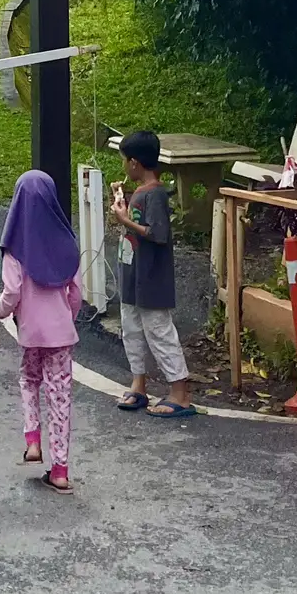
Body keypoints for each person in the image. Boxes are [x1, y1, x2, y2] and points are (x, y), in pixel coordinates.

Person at [0, 169, 84, 492]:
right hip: (61, 334)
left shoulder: (15, 249)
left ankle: (32, 438)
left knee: (29, 379)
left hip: (30, 331)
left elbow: (11, 291)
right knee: (60, 396)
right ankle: (60, 469)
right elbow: (76, 294)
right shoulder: (67, 243)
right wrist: (67, 317)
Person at [111, 130, 195, 418]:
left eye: (125, 161)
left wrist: (124, 220)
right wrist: (124, 208)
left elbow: (158, 233)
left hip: (150, 274)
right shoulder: (142, 193)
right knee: (131, 327)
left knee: (158, 329)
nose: (124, 167)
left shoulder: (155, 193)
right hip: (133, 273)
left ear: (134, 163)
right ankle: (139, 383)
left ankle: (180, 393)